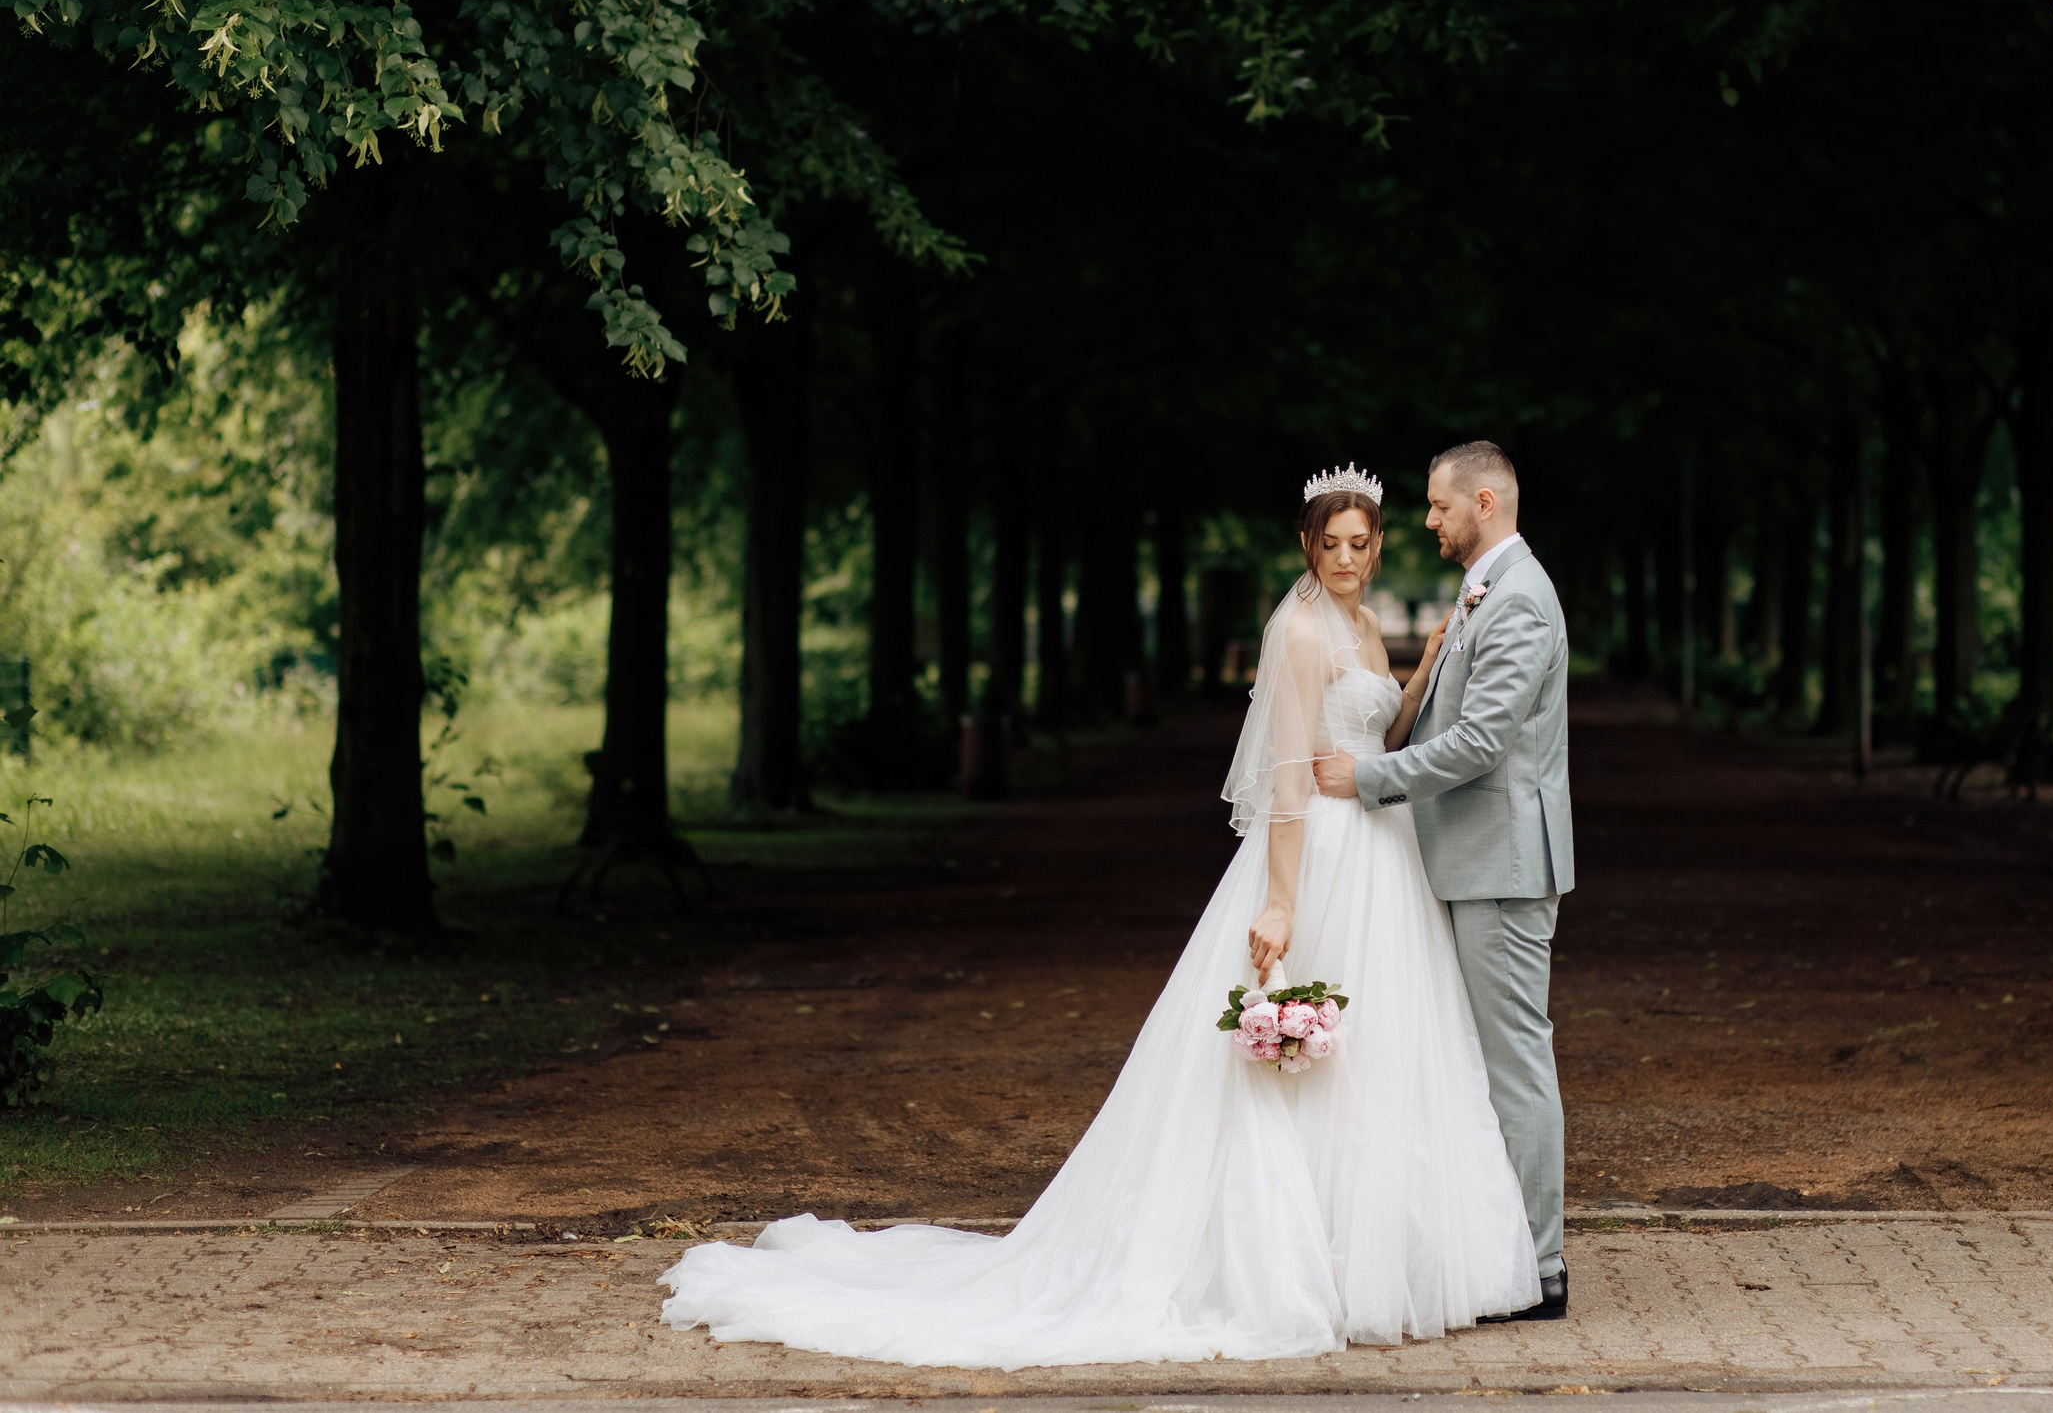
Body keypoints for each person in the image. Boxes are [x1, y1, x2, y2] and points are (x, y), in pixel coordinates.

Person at [656, 465, 1539, 1366]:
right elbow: (1285, 779)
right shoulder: (1304, 631)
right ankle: (1293, 1262)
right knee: (1294, 1072)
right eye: (1331, 544)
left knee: (1380, 1060)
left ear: (1377, 545)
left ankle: (1373, 1257)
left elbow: (1377, 745)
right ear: (1306, 546)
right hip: (1317, 857)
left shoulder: (1361, 624)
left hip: (1381, 856)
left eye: (1362, 543)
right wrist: (1279, 900)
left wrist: (1424, 666)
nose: (1348, 560)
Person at [1313, 438, 1573, 1322]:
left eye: (1438, 505)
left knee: (1512, 1066)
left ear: (1486, 504)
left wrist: (1370, 780)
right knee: (1478, 1066)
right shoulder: (1485, 590)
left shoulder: (1521, 602)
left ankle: (1542, 1271)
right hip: (1471, 858)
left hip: (1501, 864)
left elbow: (1483, 744)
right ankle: (1495, 1253)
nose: (1426, 520)